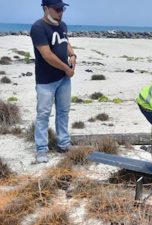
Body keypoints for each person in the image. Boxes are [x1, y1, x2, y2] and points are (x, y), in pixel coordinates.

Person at [30, 0, 77, 163]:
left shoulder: (62, 25)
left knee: (63, 112)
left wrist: (72, 55)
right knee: (43, 114)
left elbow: (65, 42)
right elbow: (47, 55)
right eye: (57, 9)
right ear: (45, 8)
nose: (61, 12)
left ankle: (63, 143)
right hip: (46, 80)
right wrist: (67, 69)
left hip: (63, 80)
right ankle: (41, 149)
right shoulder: (38, 28)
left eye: (62, 8)